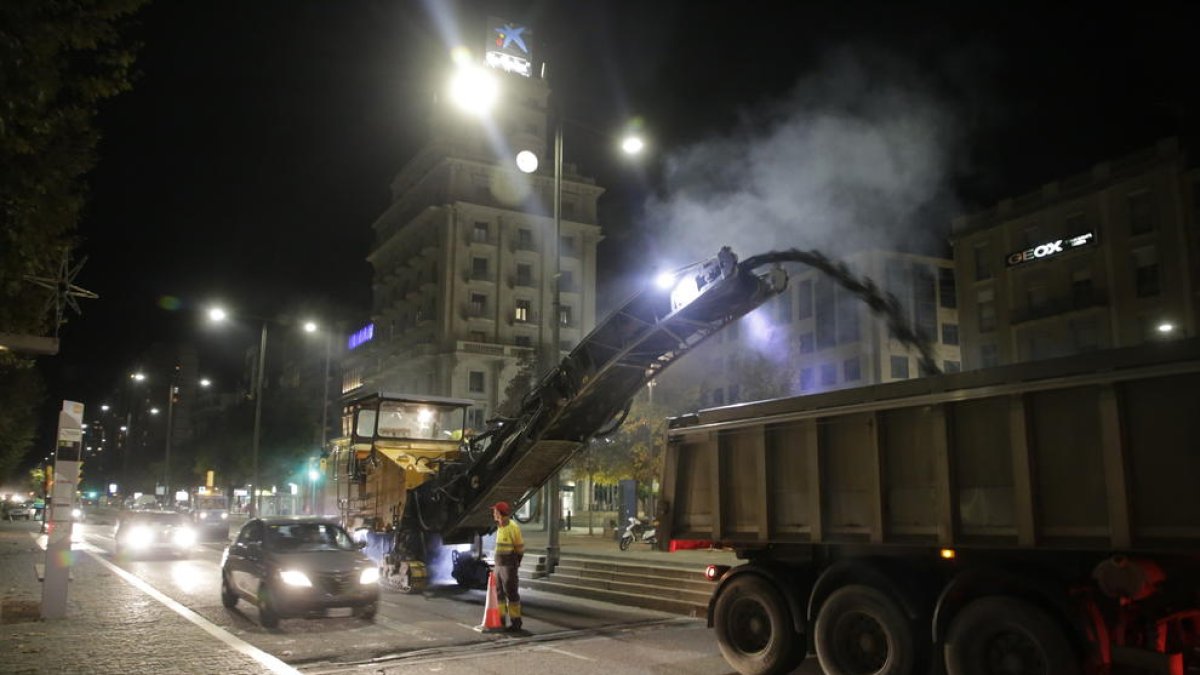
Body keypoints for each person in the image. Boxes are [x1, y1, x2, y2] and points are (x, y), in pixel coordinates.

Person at [491, 501, 524, 632]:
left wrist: (516, 563)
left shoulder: (513, 527)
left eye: (495, 511)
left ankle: (516, 622)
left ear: (500, 513)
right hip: (499, 565)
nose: (493, 514)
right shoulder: (499, 526)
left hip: (509, 565)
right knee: (499, 594)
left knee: (511, 593)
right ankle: (501, 620)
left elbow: (520, 548)